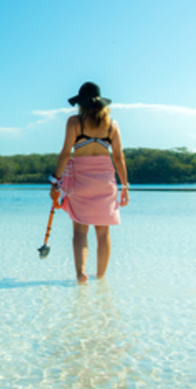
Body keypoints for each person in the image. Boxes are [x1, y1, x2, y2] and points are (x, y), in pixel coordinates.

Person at [48, 82, 130, 283]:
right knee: (103, 232)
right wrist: (125, 186)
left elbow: (66, 153)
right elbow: (119, 158)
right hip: (105, 181)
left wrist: (55, 182)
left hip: (81, 180)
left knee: (79, 230)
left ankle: (80, 273)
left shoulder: (75, 122)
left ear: (81, 104)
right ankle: (101, 277)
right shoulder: (112, 124)